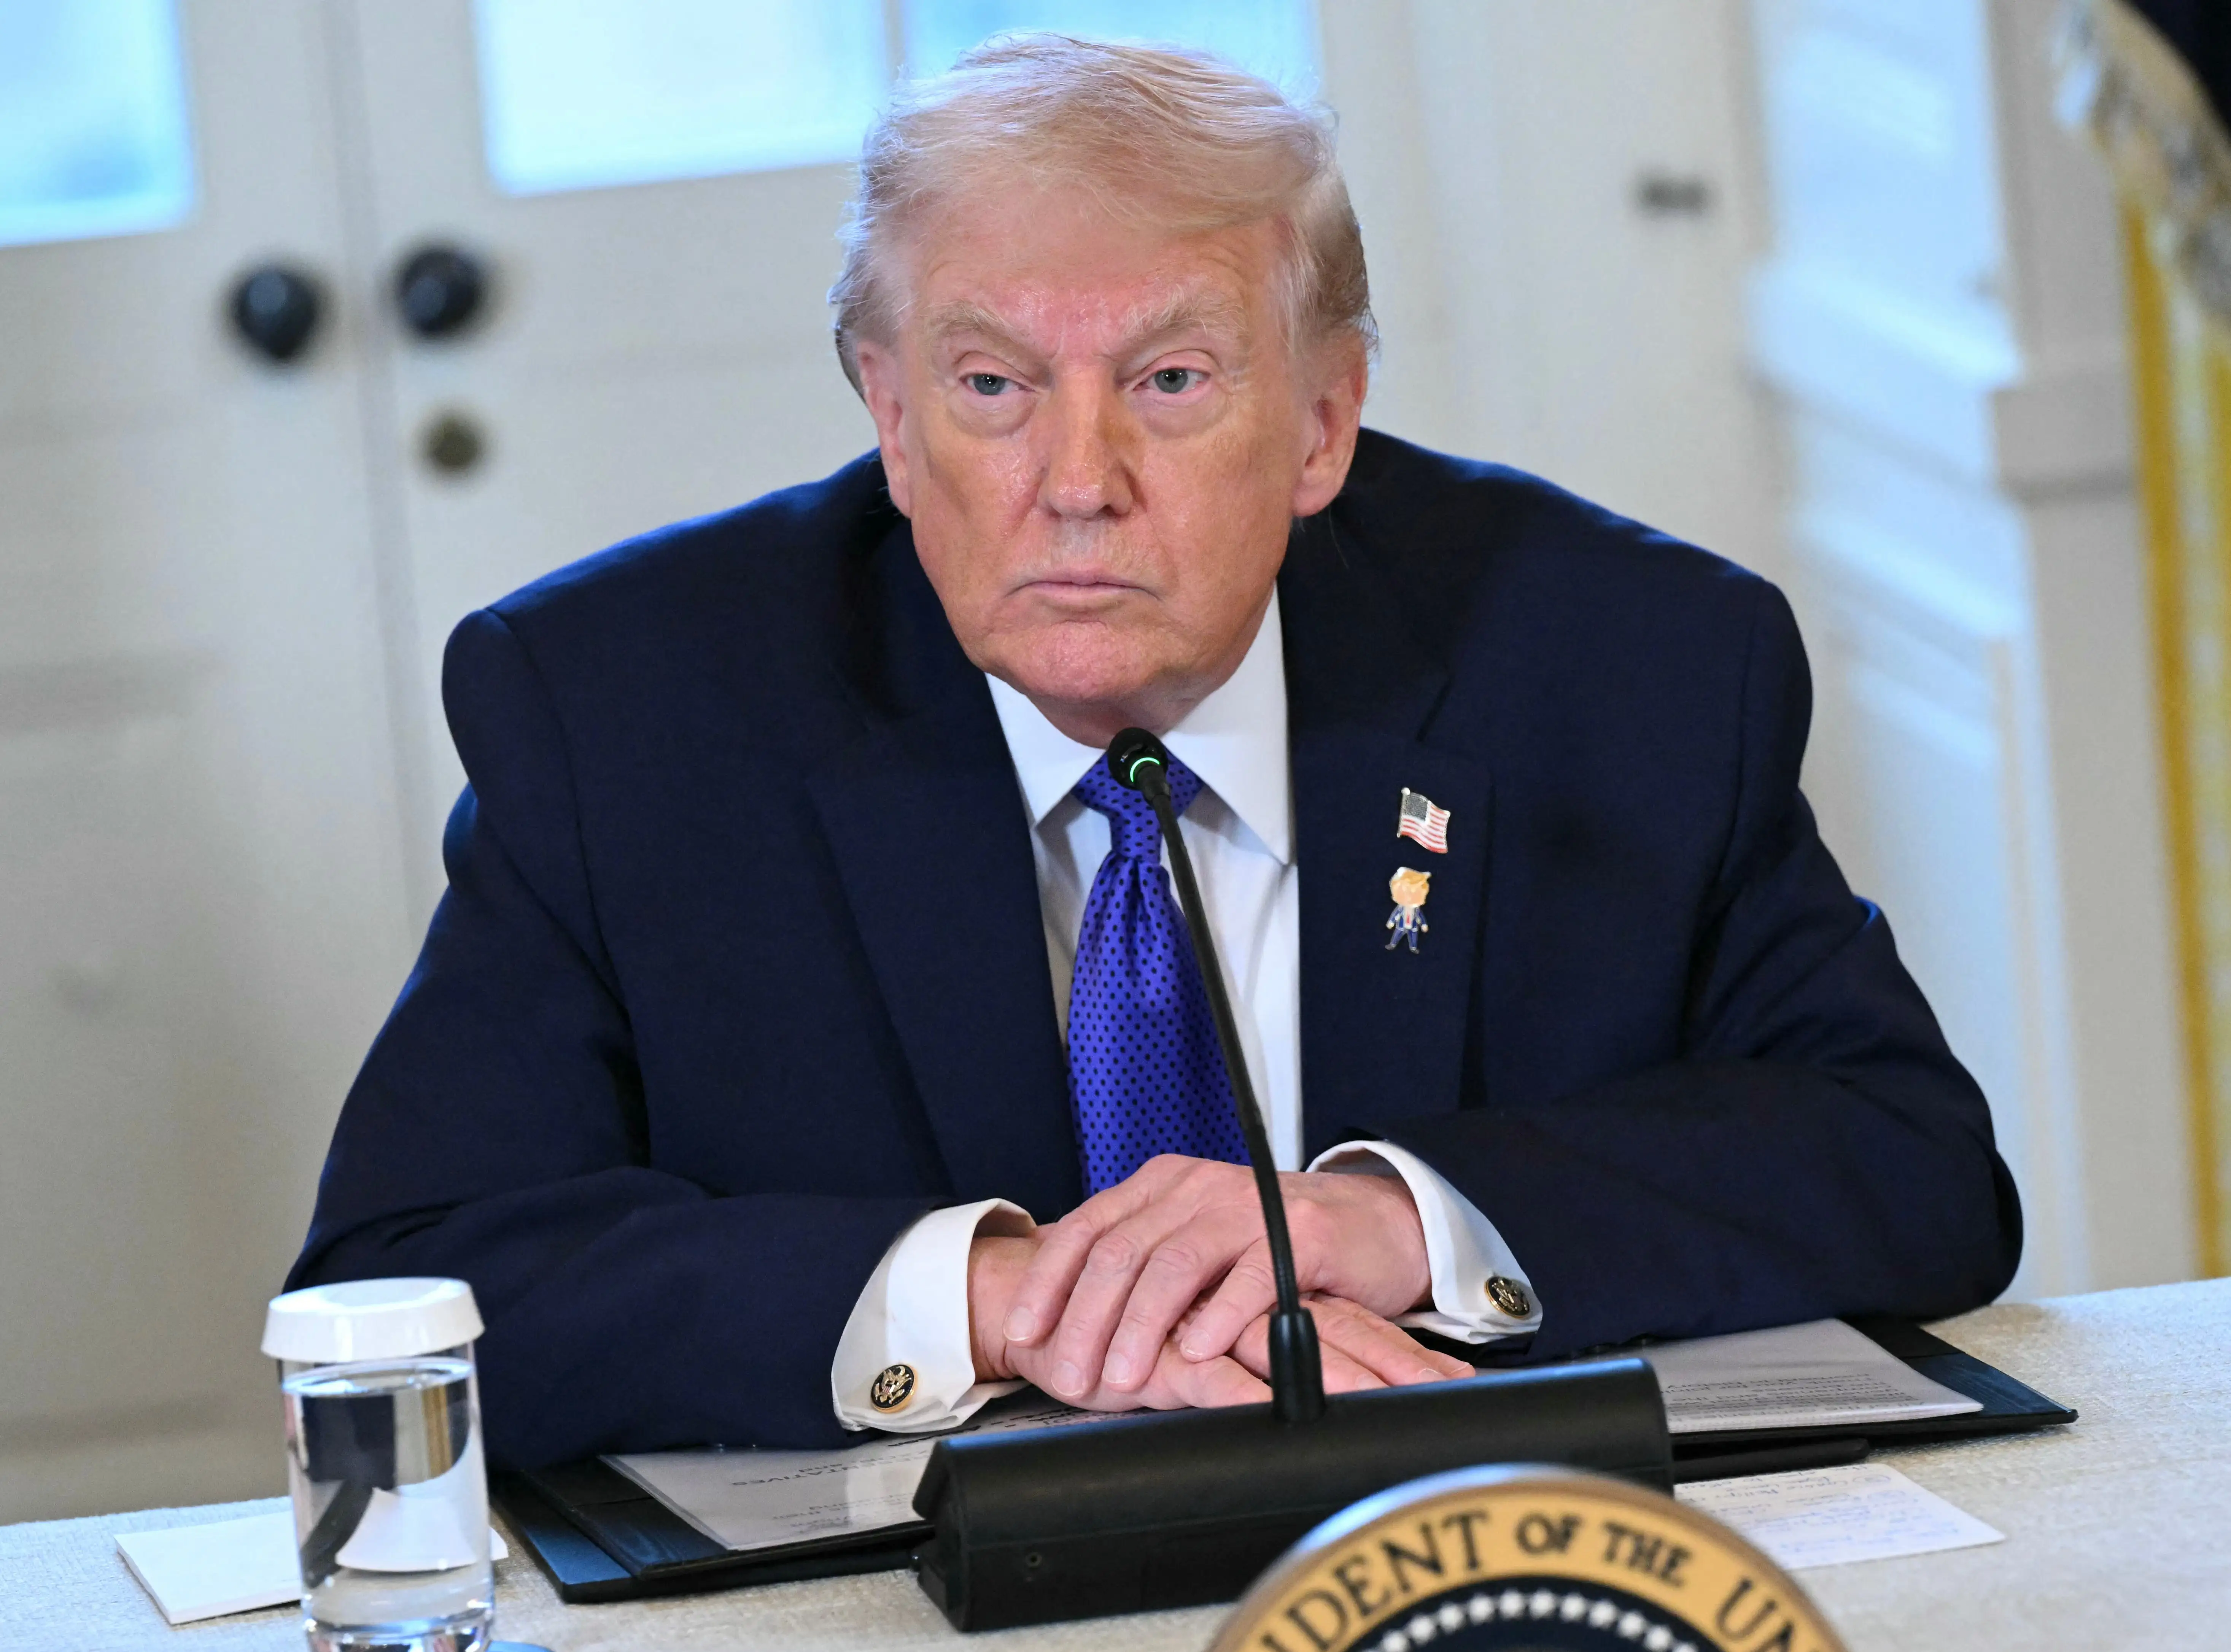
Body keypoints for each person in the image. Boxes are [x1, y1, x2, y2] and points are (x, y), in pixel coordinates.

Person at [289, 36, 2021, 1470]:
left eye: (1172, 380)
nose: (1077, 479)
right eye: (990, 386)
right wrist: (1000, 1297)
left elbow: (1908, 1160)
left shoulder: (1627, 667)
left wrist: (1384, 1223)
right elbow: (402, 1289)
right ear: (890, 418)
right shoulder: (622, 715)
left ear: (1323, 422)